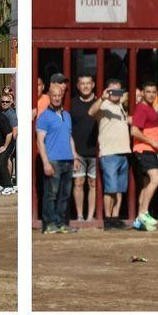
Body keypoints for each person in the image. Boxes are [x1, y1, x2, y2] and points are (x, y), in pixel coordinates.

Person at [36, 76, 75, 233]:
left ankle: (60, 223)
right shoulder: (44, 116)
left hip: (68, 160)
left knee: (64, 195)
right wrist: (45, 162)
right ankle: (49, 224)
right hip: (53, 160)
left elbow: (69, 137)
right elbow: (40, 141)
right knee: (51, 195)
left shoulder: (67, 116)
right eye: (54, 95)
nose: (57, 98)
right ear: (49, 97)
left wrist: (75, 156)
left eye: (59, 95)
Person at [90, 82, 130, 228]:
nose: (116, 93)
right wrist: (102, 97)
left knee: (119, 189)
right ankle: (108, 219)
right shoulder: (104, 105)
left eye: (119, 90)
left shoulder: (122, 106)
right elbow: (91, 112)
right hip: (109, 153)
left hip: (123, 152)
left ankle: (115, 217)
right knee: (110, 188)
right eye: (113, 90)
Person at [130, 82, 158, 231]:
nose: (151, 94)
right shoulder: (142, 109)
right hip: (145, 150)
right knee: (156, 179)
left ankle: (139, 219)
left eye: (153, 92)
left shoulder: (148, 108)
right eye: (148, 92)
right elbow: (134, 131)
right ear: (142, 93)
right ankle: (144, 212)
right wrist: (153, 143)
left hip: (148, 150)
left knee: (146, 184)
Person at [68, 75, 99, 221]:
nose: (85, 86)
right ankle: (80, 215)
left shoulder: (99, 103)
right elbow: (68, 130)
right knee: (78, 183)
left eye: (88, 83)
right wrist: (73, 153)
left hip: (96, 152)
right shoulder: (72, 104)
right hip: (78, 152)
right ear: (78, 86)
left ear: (93, 85)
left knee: (93, 184)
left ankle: (90, 216)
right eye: (82, 83)